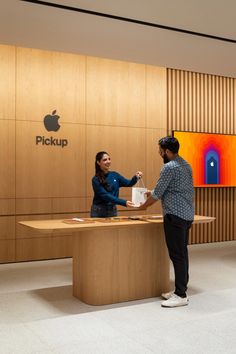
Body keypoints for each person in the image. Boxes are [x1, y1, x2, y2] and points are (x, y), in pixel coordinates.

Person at [134, 136, 194, 308]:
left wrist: (142, 207)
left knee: (177, 255)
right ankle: (180, 290)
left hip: (174, 216)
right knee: (182, 253)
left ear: (167, 151)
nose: (158, 152)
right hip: (186, 215)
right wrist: (151, 192)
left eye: (160, 149)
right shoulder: (186, 164)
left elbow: (157, 194)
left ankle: (181, 295)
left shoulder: (169, 167)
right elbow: (175, 188)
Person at [91, 151, 143, 218]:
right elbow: (106, 196)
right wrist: (124, 202)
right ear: (98, 162)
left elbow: (128, 183)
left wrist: (136, 177)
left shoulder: (115, 175)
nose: (108, 161)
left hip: (112, 209)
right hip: (99, 210)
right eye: (105, 160)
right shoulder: (95, 179)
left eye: (109, 159)